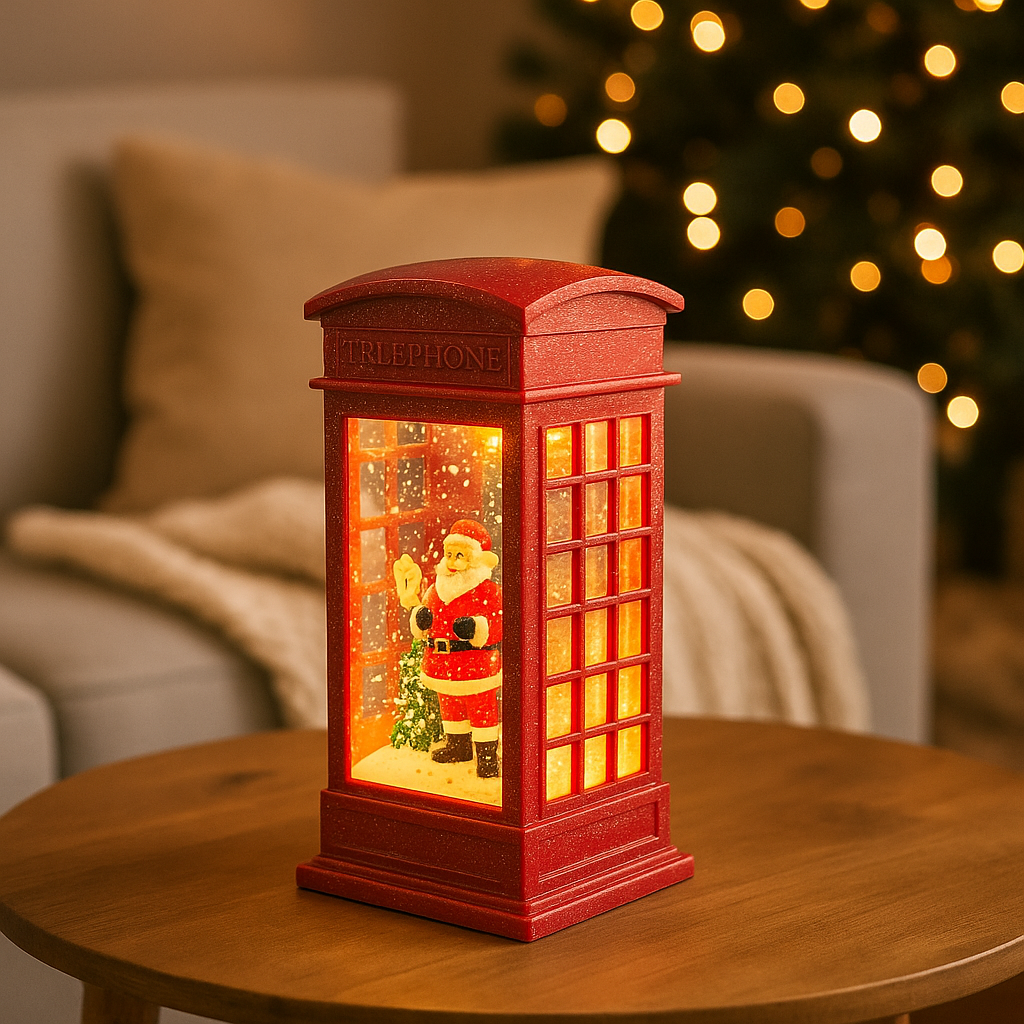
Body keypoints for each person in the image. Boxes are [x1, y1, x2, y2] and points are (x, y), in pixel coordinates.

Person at [393, 520, 502, 778]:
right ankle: (458, 746)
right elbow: (426, 618)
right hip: (442, 664)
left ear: (475, 558)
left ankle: (487, 756)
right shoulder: (437, 588)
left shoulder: (488, 591)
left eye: (459, 555)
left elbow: (498, 623)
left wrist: (476, 627)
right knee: (450, 706)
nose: (452, 561)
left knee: (481, 709)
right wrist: (420, 619)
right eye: (449, 554)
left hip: (475, 665)